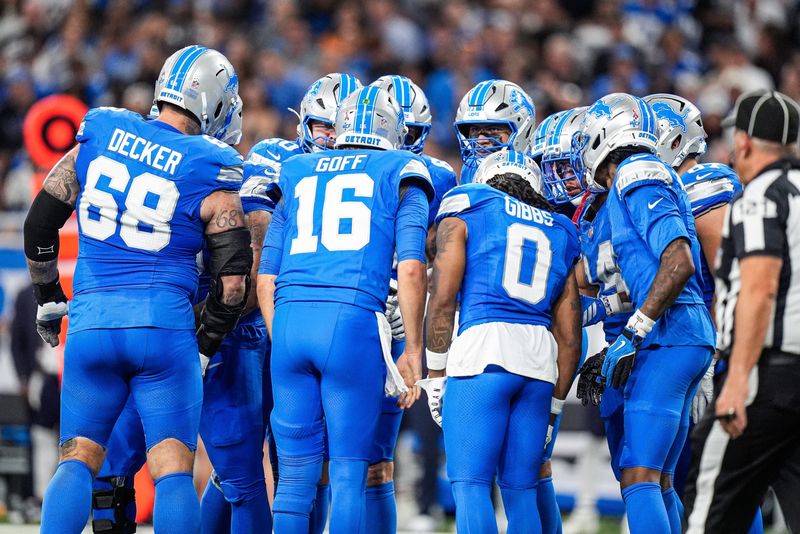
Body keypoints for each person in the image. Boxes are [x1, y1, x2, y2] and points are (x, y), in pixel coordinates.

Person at [24, 45, 251, 534]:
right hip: (162, 328)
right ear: (214, 102)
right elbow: (233, 284)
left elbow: (38, 227)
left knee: (76, 460)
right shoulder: (212, 163)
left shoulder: (103, 129)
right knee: (172, 472)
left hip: (90, 323)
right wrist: (205, 345)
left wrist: (47, 298)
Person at [257, 85, 433, 533]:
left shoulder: (295, 168)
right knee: (350, 471)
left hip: (291, 320)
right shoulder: (402, 167)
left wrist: (286, 340)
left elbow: (266, 276)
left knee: (295, 477)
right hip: (352, 321)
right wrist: (413, 350)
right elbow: (412, 269)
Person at [571, 93, 715, 534]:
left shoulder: (637, 170)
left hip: (671, 335)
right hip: (672, 334)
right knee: (660, 479)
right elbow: (627, 285)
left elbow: (679, 260)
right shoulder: (622, 189)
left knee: (639, 476)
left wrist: (633, 333)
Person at [423, 149, 582, 533]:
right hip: (539, 362)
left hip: (484, 350)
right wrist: (557, 403)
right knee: (521, 489)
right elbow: (571, 335)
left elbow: (443, 299)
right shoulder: (560, 228)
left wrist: (435, 375)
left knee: (472, 486)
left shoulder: (471, 203)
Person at [684, 90, 800, 534]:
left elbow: (758, 288)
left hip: (766, 374)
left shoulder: (757, 198)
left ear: (746, 142)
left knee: (707, 505)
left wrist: (736, 380)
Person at [367, 74, 457, 534]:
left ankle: (425, 503)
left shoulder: (436, 176)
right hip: (384, 311)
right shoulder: (433, 173)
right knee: (364, 457)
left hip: (390, 310)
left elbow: (438, 251)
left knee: (364, 454)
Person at [453, 79, 535, 184]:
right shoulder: (470, 170)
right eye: (475, 129)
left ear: (522, 128)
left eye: (493, 129)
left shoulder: (545, 173)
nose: (480, 140)